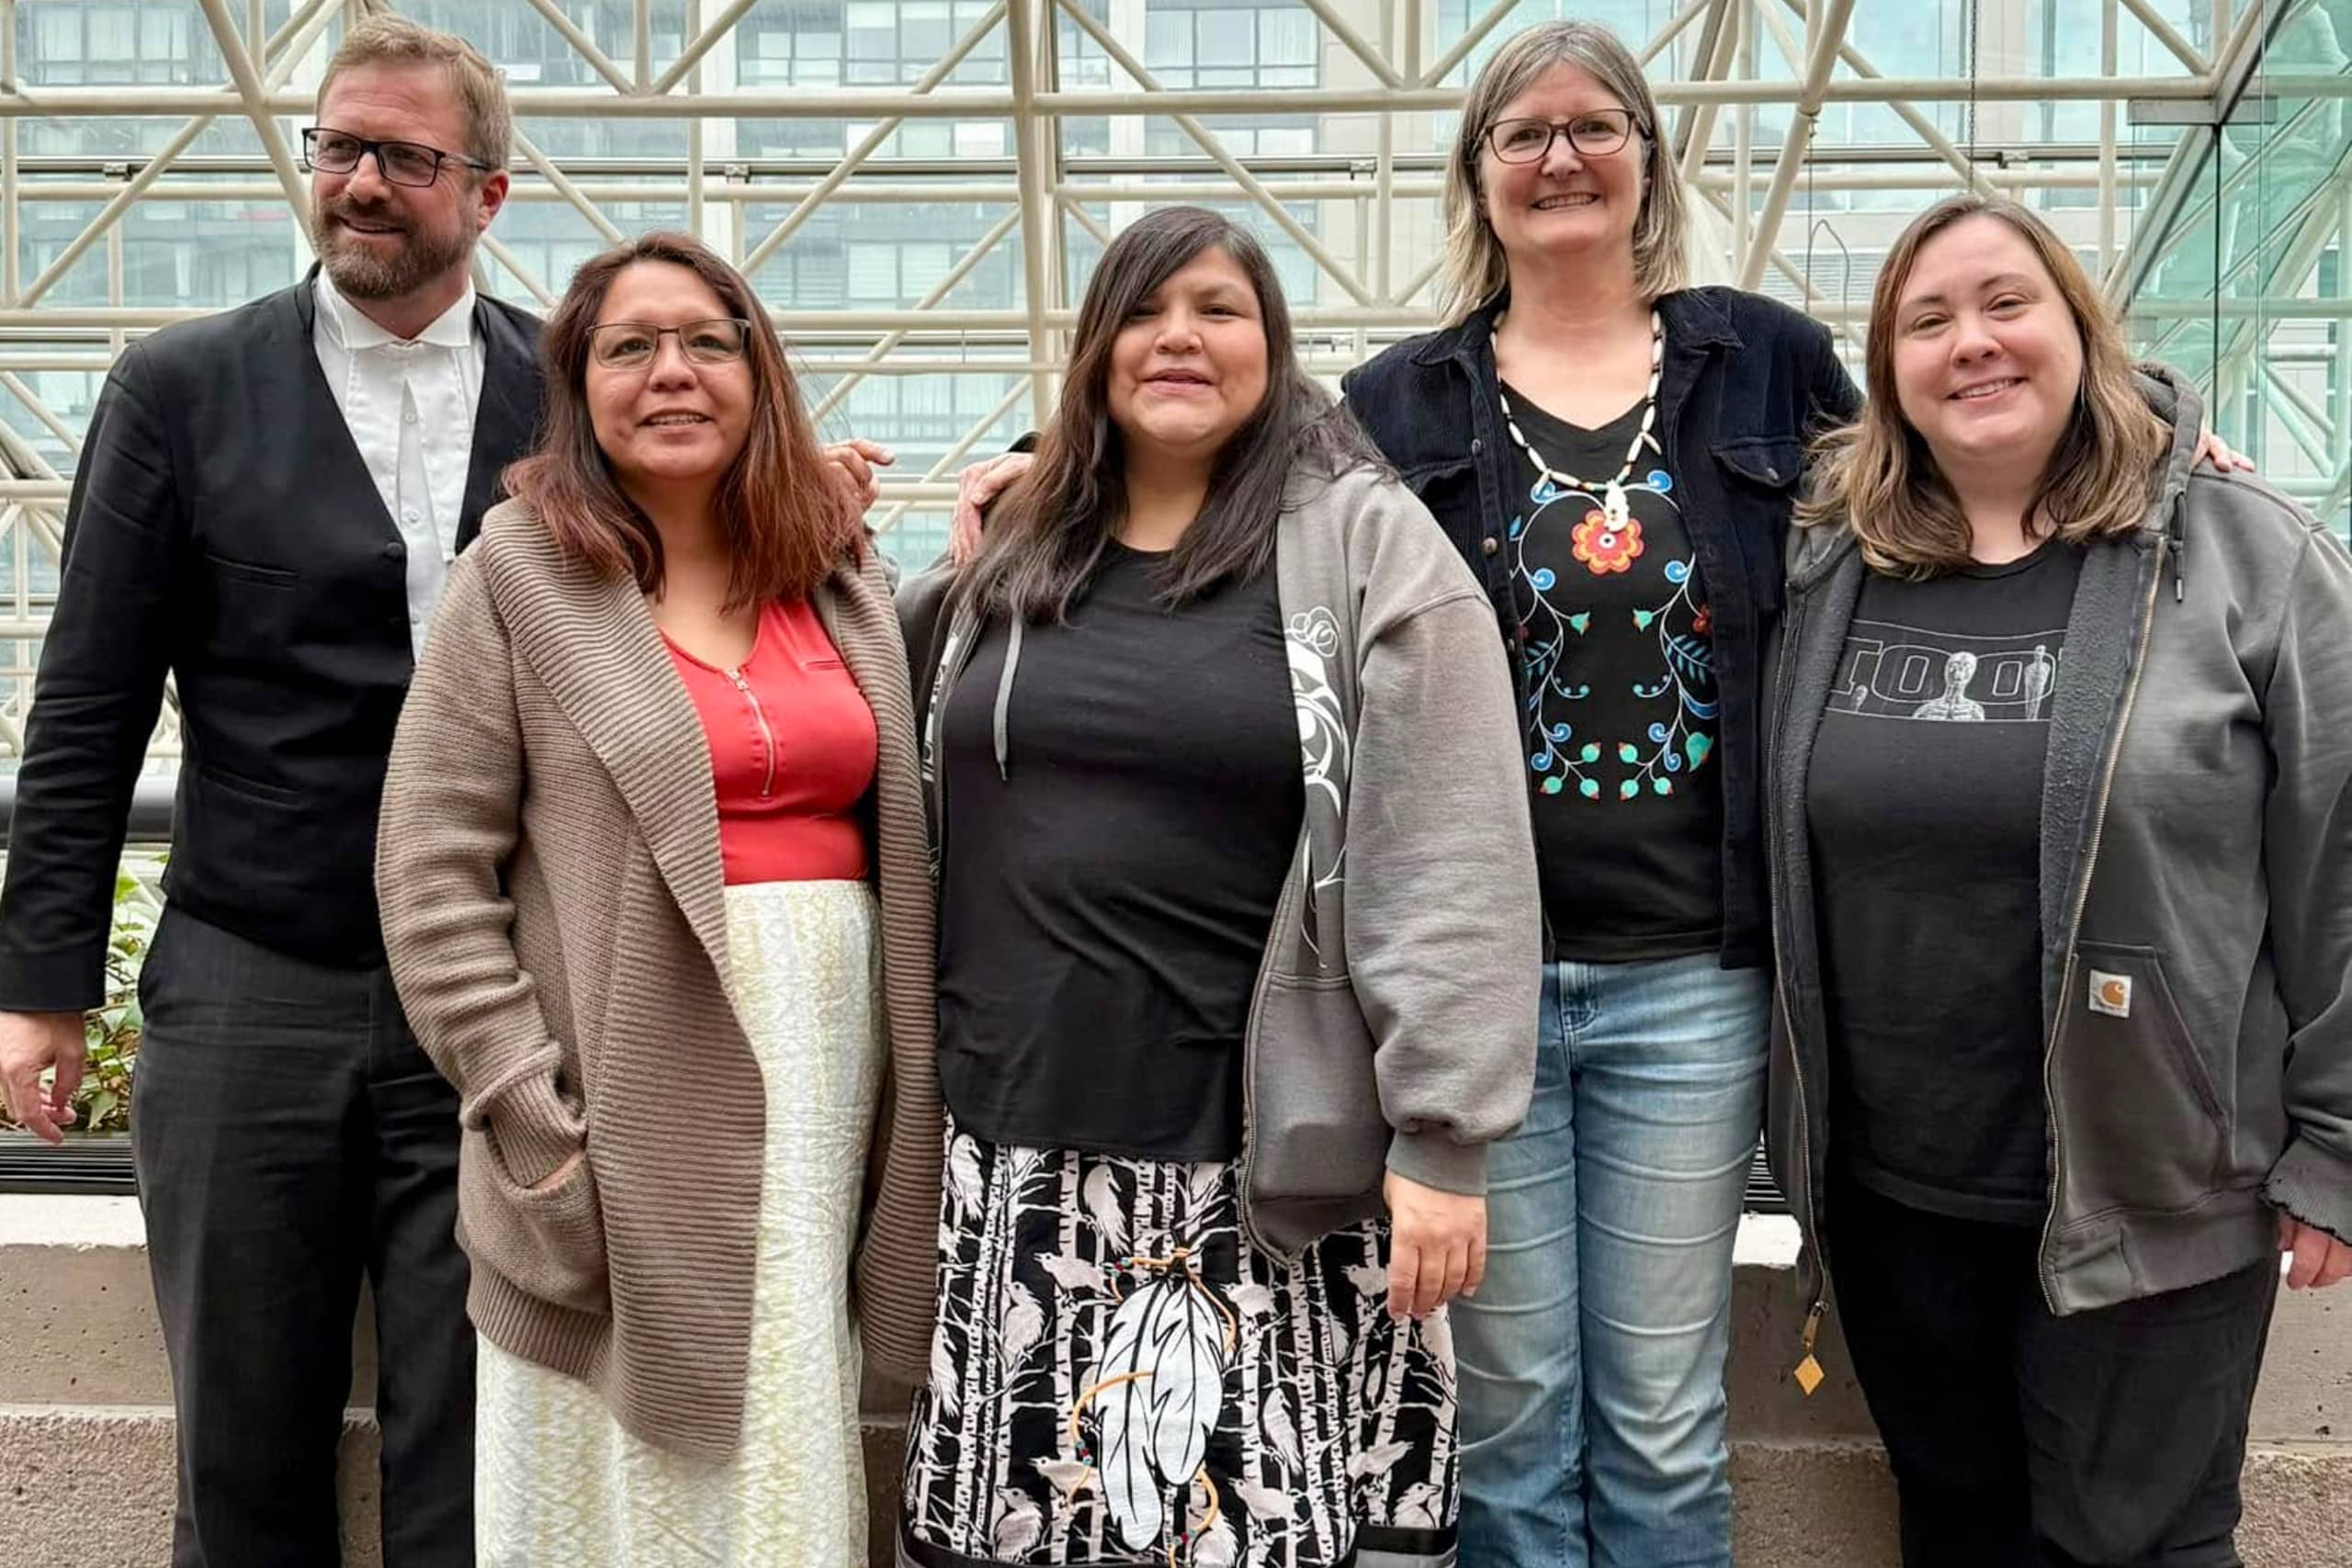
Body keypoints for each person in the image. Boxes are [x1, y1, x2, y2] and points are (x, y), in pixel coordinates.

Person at [894, 204, 1538, 1568]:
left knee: (1247, 1534)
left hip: (1257, 1170)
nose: (1178, 336)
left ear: (1275, 350)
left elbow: (1455, 848)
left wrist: (1445, 1132)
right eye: (1142, 309)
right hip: (1021, 1157)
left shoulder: (1364, 551)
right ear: (1092, 353)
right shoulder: (1008, 562)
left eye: (1218, 309)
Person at [0, 20, 531, 1565]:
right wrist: (41, 987)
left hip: (495, 995)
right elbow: (88, 699)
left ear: (485, 194)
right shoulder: (178, 386)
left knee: (479, 1457)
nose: (360, 183)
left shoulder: (571, 386)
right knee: (240, 1461)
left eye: (404, 159)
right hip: (246, 984)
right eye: (338, 149)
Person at [1767, 194, 2352, 1568]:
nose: (1972, 342)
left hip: (2153, 1187)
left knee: (2139, 1546)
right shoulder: (1830, 563)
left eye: (2007, 303)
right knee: (1958, 1534)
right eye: (1928, 320)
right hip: (1896, 1197)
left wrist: (2337, 1146)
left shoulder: (2242, 554)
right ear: (1888, 371)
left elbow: (2341, 854)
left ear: (2081, 330)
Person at [375, 230, 940, 1565]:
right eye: (628, 348)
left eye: (705, 341)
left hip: (816, 1094)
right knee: (605, 1481)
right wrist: (532, 1119)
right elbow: (430, 867)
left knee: (782, 1422)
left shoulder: (844, 574)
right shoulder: (517, 575)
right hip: (615, 1104)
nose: (669, 373)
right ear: (578, 387)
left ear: (759, 372)